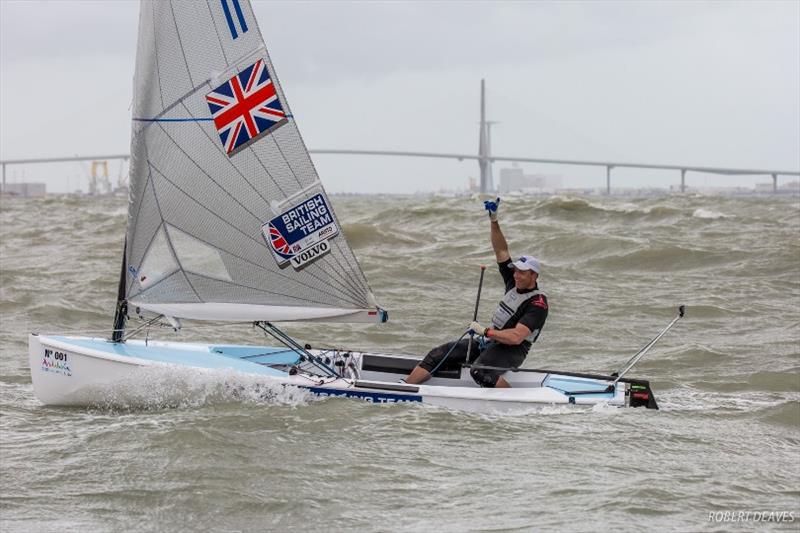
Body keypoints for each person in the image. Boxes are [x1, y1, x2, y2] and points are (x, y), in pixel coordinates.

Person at [404, 198, 549, 388]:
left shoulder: (537, 304)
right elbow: (501, 250)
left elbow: (516, 337)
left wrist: (485, 331)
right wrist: (494, 220)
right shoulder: (512, 281)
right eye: (515, 270)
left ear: (534, 275)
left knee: (479, 371)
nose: (516, 275)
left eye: (522, 272)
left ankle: (510, 399)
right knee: (440, 353)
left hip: (513, 351)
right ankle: (405, 388)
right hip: (492, 341)